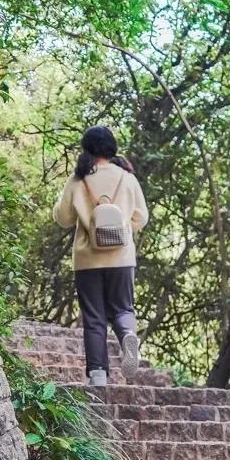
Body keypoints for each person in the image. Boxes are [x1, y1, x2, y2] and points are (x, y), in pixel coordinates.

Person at [53, 125, 148, 386]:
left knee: (94, 317)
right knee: (123, 308)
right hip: (122, 258)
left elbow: (63, 218)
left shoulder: (78, 178)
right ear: (111, 148)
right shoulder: (127, 178)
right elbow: (141, 218)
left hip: (87, 259)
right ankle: (128, 334)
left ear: (86, 148)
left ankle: (97, 376)